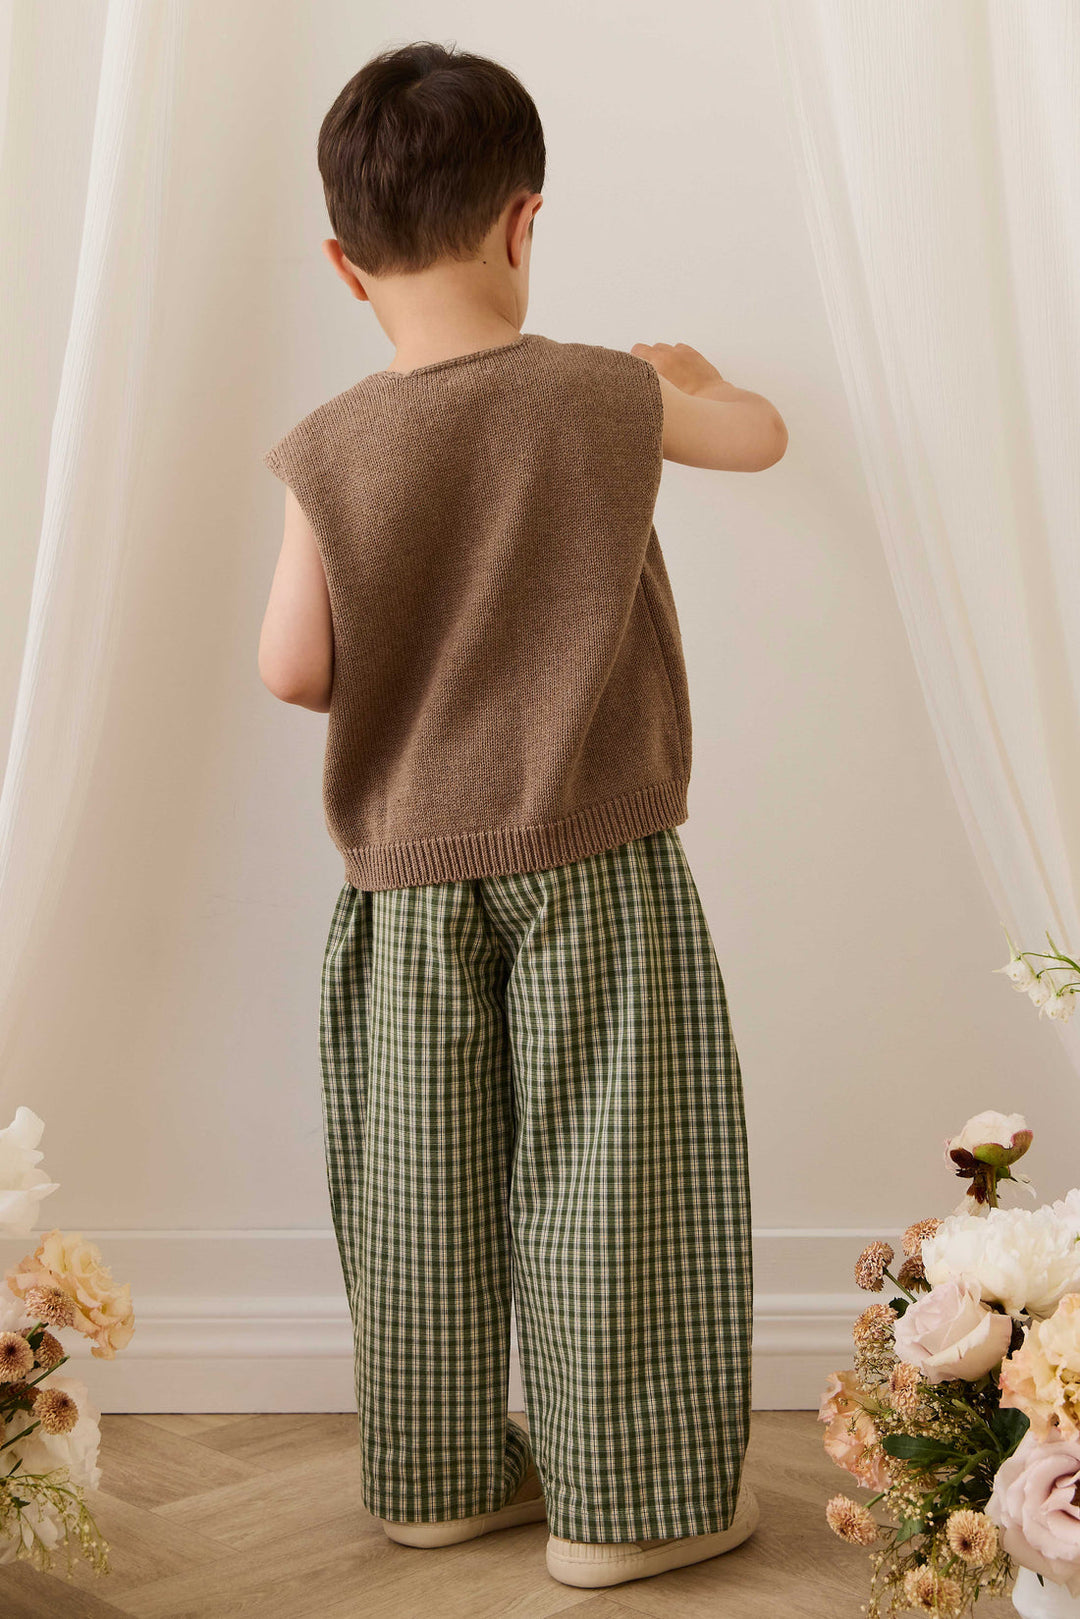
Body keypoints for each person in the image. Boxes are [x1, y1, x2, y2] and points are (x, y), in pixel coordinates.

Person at [257, 40, 786, 1591]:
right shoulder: (604, 398)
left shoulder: (328, 448)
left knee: (417, 1188)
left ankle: (435, 1481)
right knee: (617, 1176)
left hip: (405, 888)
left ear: (346, 265)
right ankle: (630, 1509)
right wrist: (694, 384)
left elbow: (293, 669)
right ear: (523, 221)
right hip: (595, 862)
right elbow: (760, 439)